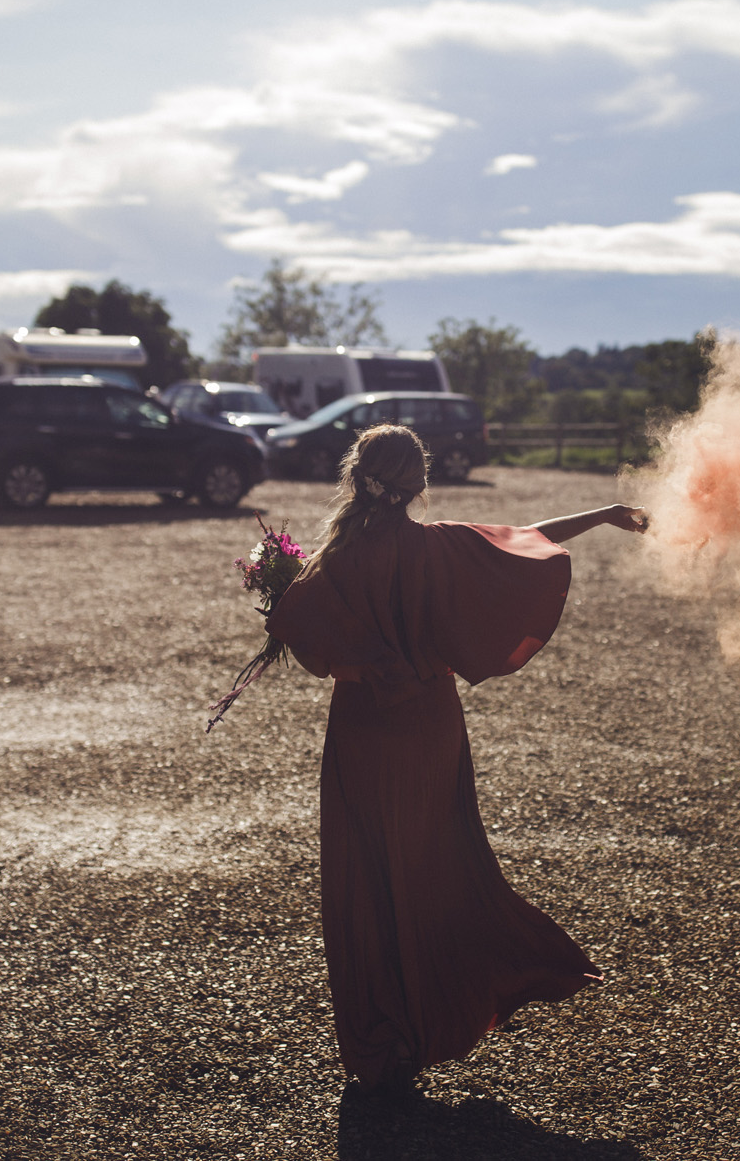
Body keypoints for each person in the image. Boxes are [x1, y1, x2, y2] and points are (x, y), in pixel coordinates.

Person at [264, 424, 647, 1089]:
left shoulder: (331, 561)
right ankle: (458, 997)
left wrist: (285, 594)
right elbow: (527, 539)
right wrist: (607, 513)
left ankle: (382, 1039)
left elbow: (311, 657)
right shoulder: (438, 546)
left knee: (367, 880)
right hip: (430, 728)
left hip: (361, 731)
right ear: (417, 481)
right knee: (440, 868)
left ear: (359, 476)